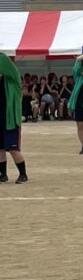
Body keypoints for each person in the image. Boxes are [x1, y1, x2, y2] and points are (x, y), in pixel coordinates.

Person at [0, 52, 29, 184]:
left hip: (10, 119)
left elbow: (3, 59)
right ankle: (3, 175)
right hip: (0, 118)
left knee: (13, 149)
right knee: (0, 149)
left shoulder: (13, 79)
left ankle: (23, 174)